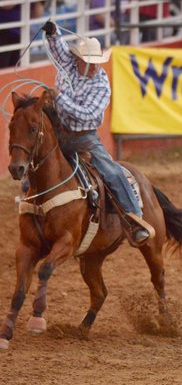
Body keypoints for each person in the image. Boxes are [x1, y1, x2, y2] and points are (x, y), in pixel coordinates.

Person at [42, 20, 152, 245]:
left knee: (111, 172)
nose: (95, 67)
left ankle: (134, 219)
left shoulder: (101, 84)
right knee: (36, 157)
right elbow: (58, 50)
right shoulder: (68, 65)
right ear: (79, 60)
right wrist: (53, 33)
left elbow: (86, 114)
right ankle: (33, 206)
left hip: (84, 138)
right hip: (59, 133)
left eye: (96, 63)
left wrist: (59, 98)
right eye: (90, 63)